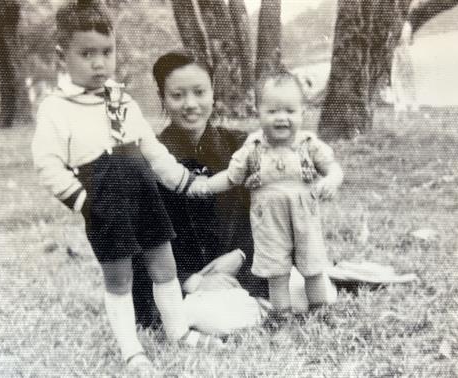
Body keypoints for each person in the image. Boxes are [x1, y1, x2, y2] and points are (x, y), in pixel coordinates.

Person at [31, 1, 221, 373]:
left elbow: (153, 151)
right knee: (119, 277)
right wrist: (84, 201)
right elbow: (47, 164)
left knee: (164, 265)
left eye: (107, 52)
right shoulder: (56, 108)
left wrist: (187, 183)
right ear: (61, 56)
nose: (99, 63)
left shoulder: (122, 100)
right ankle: (132, 350)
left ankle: (178, 331)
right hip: (103, 200)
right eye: (87, 54)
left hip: (144, 193)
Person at [132, 50, 269, 332]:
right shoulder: (148, 162)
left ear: (212, 92)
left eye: (199, 92)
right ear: (162, 99)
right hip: (180, 283)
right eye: (178, 95)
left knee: (293, 286)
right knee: (203, 315)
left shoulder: (240, 147)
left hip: (242, 271)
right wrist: (192, 281)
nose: (190, 104)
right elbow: (139, 246)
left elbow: (268, 215)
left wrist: (242, 254)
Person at [188, 70, 344, 315]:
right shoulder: (253, 148)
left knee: (313, 267)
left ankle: (321, 311)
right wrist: (204, 186)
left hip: (304, 220)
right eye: (272, 111)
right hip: (269, 223)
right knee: (276, 272)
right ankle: (282, 314)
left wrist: (332, 181)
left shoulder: (308, 144)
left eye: (290, 111)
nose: (282, 118)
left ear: (303, 112)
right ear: (258, 112)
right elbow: (230, 177)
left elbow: (332, 168)